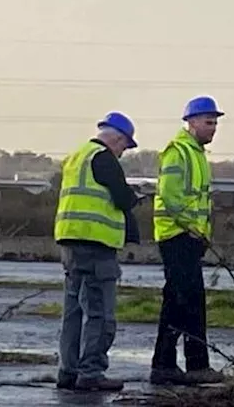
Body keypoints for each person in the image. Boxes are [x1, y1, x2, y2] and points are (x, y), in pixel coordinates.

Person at [54, 112, 141, 392]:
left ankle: (68, 371)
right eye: (124, 147)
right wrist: (136, 197)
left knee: (73, 312)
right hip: (95, 244)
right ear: (117, 138)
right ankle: (91, 372)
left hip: (70, 242)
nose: (122, 153)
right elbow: (122, 197)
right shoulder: (104, 158)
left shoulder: (76, 156)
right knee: (100, 313)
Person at [149, 96, 227, 386]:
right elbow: (170, 197)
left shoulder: (196, 154)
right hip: (177, 236)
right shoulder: (178, 152)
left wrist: (202, 233)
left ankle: (176, 364)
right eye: (209, 122)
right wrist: (193, 228)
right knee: (183, 301)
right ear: (192, 122)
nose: (214, 128)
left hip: (190, 238)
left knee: (186, 300)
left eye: (215, 123)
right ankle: (180, 365)